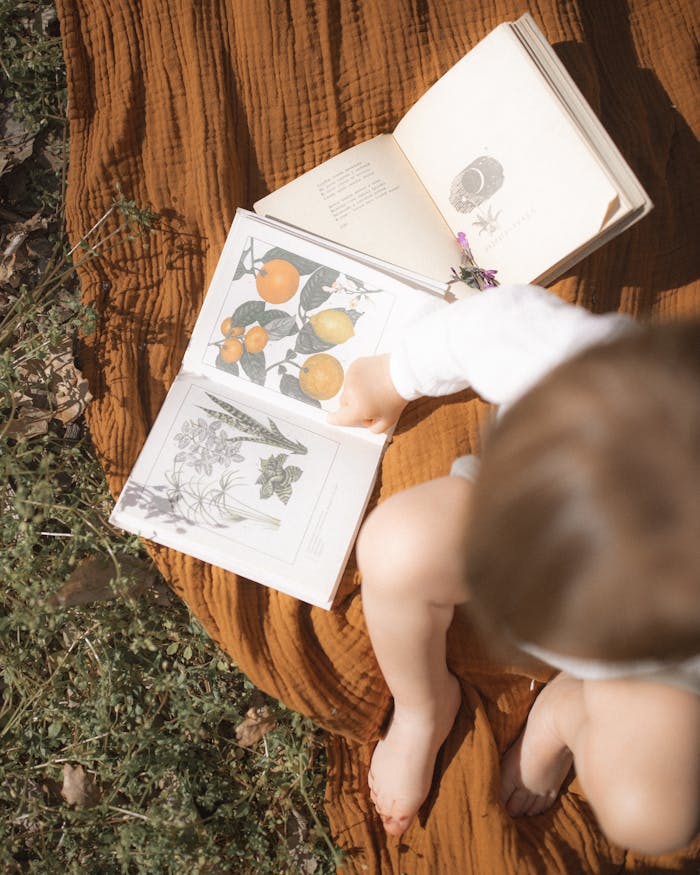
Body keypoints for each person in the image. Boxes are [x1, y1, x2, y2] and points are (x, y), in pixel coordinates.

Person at [327, 284, 700, 856]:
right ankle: (424, 707)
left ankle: (566, 715)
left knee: (652, 816)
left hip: (653, 670)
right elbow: (488, 325)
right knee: (395, 546)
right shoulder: (581, 366)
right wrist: (393, 375)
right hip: (523, 504)